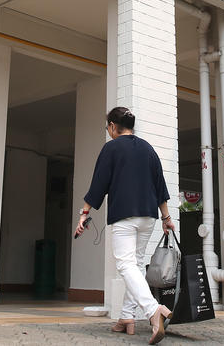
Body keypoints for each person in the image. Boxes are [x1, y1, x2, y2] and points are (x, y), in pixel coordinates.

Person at [75, 107, 174, 344]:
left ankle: (153, 311)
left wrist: (84, 212)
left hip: (125, 215)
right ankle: (127, 317)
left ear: (112, 126)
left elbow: (99, 183)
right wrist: (166, 218)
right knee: (136, 265)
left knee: (125, 264)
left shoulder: (111, 148)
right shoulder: (148, 149)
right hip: (149, 216)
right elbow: (160, 185)